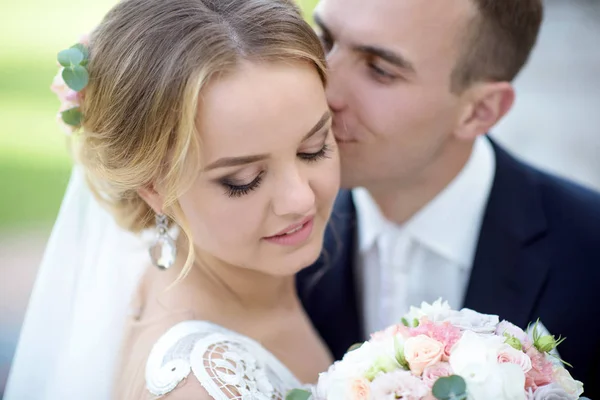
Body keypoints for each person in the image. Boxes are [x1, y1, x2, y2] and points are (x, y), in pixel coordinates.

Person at [6, 0, 340, 398]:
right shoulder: (198, 385)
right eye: (243, 180)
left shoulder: (253, 275)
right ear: (154, 187)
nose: (299, 199)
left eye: (314, 148)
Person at [296, 0, 600, 395]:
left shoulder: (589, 251)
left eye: (380, 70)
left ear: (479, 111)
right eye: (326, 39)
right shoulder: (268, 235)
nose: (324, 90)